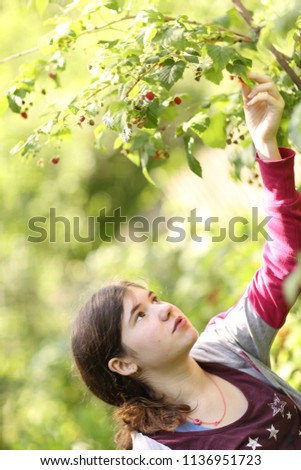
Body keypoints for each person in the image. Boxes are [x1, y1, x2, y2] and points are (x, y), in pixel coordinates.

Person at [71, 72, 301, 450]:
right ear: (123, 364)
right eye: (140, 315)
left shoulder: (228, 346)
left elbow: (284, 263)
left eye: (154, 300)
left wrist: (266, 147)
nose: (162, 310)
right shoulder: (161, 450)